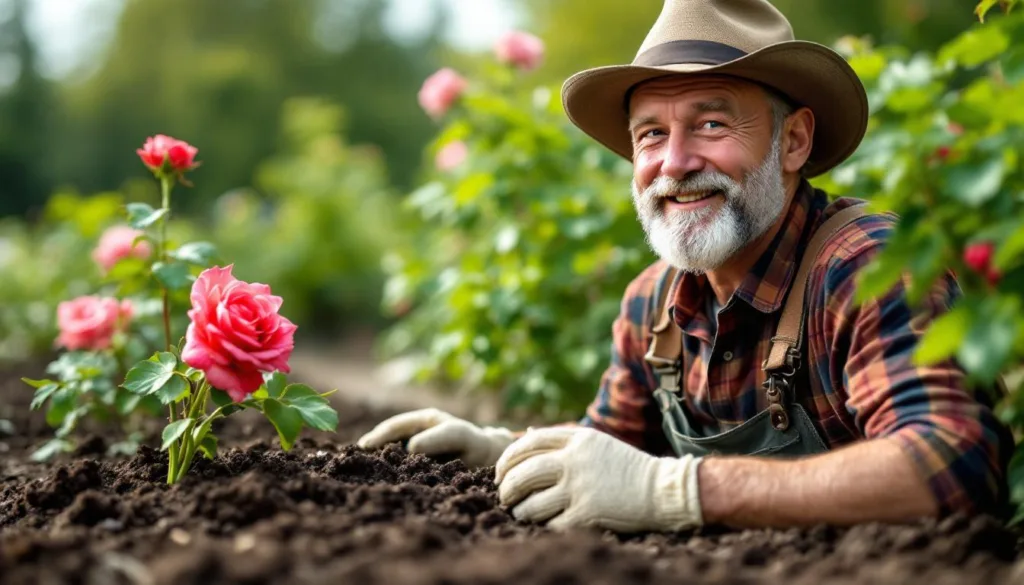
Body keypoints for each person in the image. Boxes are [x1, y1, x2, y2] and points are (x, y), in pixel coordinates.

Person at [358, 0, 1015, 533]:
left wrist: (677, 490)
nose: (673, 162)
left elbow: (950, 462)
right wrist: (505, 448)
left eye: (709, 124)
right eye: (650, 134)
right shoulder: (654, 305)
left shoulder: (865, 270)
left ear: (793, 142)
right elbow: (611, 448)